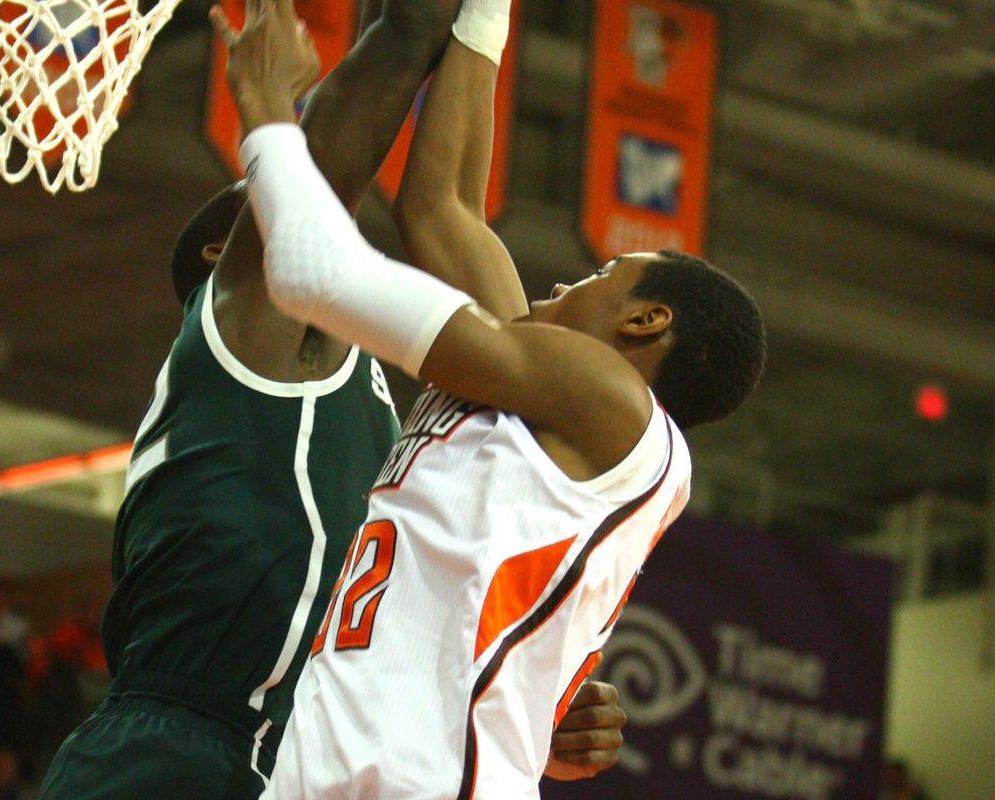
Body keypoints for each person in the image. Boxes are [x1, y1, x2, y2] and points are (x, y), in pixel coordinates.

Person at [39, 0, 627, 796]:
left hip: (303, 759)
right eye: (255, 217)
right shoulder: (236, 336)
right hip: (177, 754)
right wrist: (395, 37)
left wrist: (523, 697)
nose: (322, 217)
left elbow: (446, 208)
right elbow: (328, 191)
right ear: (226, 254)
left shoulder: (393, 423)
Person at [209, 0, 766, 794]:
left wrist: (266, 112)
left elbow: (315, 273)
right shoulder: (541, 391)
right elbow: (442, 206)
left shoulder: (613, 405)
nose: (566, 281)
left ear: (645, 322)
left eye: (599, 278)